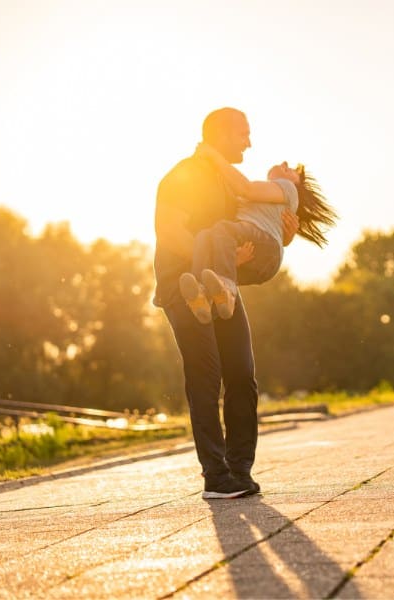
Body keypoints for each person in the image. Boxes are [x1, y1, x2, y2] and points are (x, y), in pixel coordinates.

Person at [153, 107, 298, 499]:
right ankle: (215, 478)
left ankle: (239, 471)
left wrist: (281, 236)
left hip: (221, 284)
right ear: (220, 134)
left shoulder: (229, 182)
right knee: (207, 374)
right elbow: (168, 233)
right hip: (182, 284)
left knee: (242, 374)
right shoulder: (183, 176)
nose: (249, 143)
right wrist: (216, 258)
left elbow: (249, 232)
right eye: (243, 134)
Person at [178, 143, 337, 324]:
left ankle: (227, 291)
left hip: (265, 246)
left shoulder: (288, 189)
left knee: (223, 229)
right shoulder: (263, 200)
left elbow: (246, 188)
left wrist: (213, 155)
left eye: (292, 170)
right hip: (252, 254)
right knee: (204, 237)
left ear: (295, 184)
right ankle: (203, 297)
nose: (286, 163)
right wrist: (233, 260)